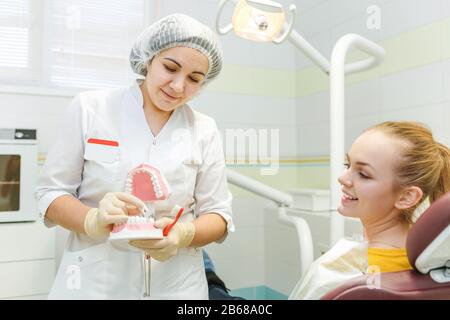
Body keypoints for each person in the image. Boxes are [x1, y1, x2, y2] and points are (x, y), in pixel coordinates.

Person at [35, 13, 234, 300]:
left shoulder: (204, 129)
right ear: (149, 59)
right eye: (170, 67)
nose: (178, 86)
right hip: (95, 285)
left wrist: (183, 235)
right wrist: (92, 219)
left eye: (194, 78)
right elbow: (51, 194)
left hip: (178, 287)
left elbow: (219, 215)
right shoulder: (91, 109)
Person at [290, 121, 450, 299]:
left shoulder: (364, 272)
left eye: (364, 174)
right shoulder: (425, 257)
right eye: (347, 165)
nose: (342, 178)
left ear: (406, 197)